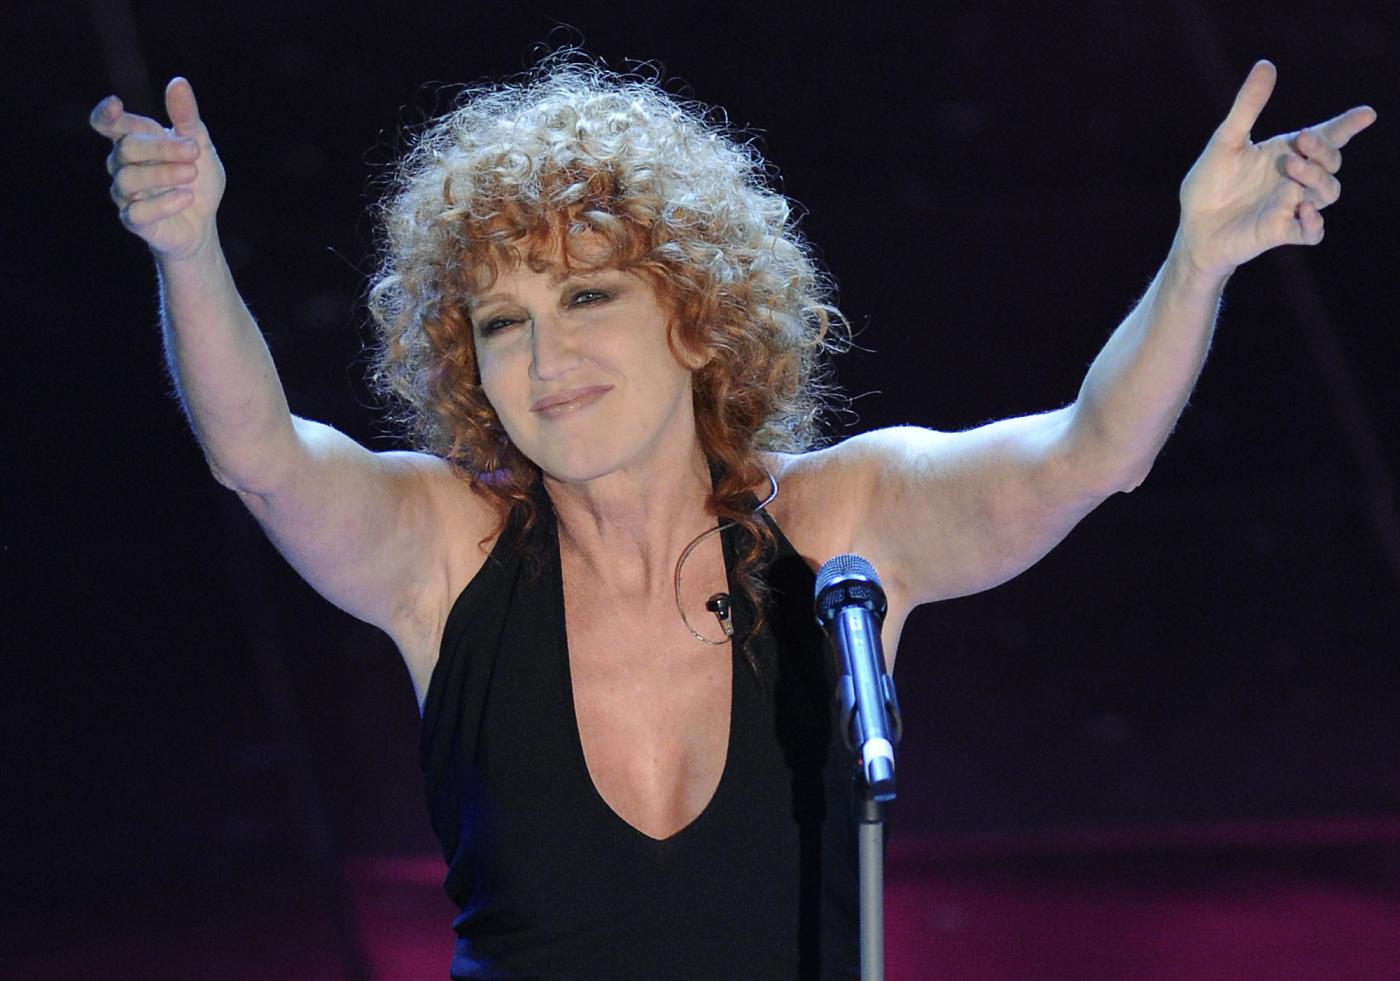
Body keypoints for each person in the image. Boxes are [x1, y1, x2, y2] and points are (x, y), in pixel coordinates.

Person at [91, 59, 1374, 979]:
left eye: (587, 297)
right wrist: (188, 251)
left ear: (696, 317)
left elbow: (1093, 452)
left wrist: (1196, 263)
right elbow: (260, 457)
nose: (544, 358)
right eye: (500, 323)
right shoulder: (448, 548)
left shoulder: (843, 517)